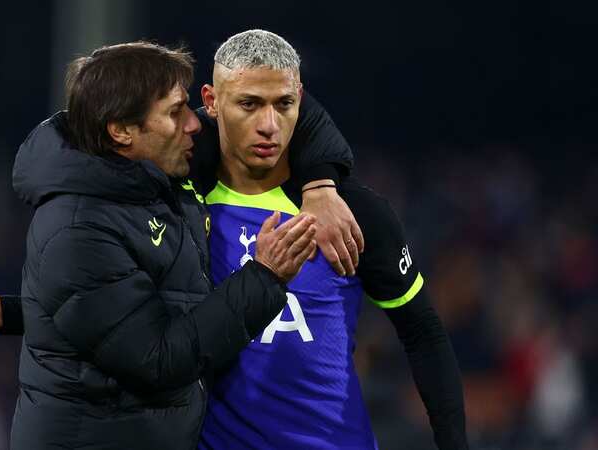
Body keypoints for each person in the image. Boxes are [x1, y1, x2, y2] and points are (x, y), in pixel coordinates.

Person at [0, 39, 364, 450]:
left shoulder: (147, 180)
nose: (194, 125)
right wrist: (265, 276)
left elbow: (291, 103)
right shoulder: (78, 227)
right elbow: (158, 358)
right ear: (122, 131)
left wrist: (320, 186)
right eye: (175, 112)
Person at [193, 30, 468, 449]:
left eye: (283, 104)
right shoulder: (180, 205)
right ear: (211, 102)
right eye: (249, 104)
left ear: (300, 99)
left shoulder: (353, 212)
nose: (268, 126)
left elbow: (422, 331)